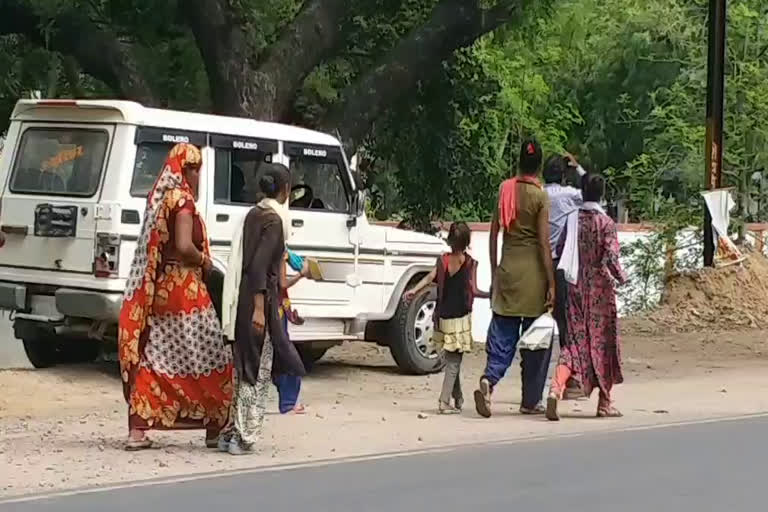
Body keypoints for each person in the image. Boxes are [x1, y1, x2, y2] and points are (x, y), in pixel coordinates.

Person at [118, 143, 233, 451]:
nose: (198, 178)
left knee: (157, 357)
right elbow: (183, 245)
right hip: (186, 292)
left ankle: (138, 430)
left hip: (161, 289)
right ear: (188, 171)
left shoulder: (160, 199)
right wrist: (205, 261)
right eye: (196, 171)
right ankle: (215, 426)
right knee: (210, 356)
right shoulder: (182, 201)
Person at [226, 163, 306, 455]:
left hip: (244, 297)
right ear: (286, 191)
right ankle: (245, 435)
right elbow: (260, 266)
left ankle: (233, 431)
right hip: (261, 303)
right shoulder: (274, 222)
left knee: (244, 365)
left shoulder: (252, 214)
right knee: (258, 370)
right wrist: (261, 309)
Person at [474, 139, 555, 418]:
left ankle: (490, 380)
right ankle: (531, 400)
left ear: (519, 161)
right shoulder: (540, 197)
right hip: (533, 276)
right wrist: (551, 283)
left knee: (502, 332)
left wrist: (495, 271)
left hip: (507, 271)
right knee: (536, 341)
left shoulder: (505, 189)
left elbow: (494, 233)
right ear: (539, 165)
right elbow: (544, 243)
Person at [546, 173, 627, 421]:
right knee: (603, 344)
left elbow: (559, 250)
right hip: (600, 291)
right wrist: (622, 278)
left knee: (575, 342)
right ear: (601, 194)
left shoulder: (572, 220)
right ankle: (605, 402)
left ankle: (556, 387)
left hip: (575, 287)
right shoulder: (606, 223)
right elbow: (611, 258)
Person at [405, 222, 489, 414]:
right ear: (467, 240)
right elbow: (474, 290)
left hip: (442, 316)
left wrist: (413, 290)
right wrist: (491, 295)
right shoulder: (470, 263)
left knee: (452, 357)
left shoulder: (442, 261)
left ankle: (457, 398)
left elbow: (428, 279)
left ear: (450, 239)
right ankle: (444, 402)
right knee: (454, 360)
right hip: (460, 318)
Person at [543, 153, 587, 399]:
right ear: (563, 174)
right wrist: (578, 168)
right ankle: (567, 379)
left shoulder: (537, 194)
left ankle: (533, 383)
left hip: (536, 263)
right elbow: (593, 189)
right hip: (559, 264)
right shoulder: (569, 195)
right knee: (565, 321)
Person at [274, 248, 312, 414]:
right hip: (275, 310)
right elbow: (282, 285)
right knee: (287, 358)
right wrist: (302, 274)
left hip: (271, 307)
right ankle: (289, 402)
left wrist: (290, 315)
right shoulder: (279, 250)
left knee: (277, 356)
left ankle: (289, 401)